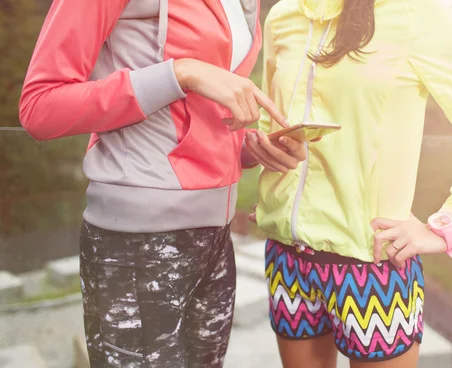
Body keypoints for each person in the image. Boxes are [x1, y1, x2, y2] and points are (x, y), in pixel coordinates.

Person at [18, 0, 306, 367]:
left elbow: (196, 116)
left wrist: (250, 147)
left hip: (215, 241)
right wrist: (180, 73)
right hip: (136, 245)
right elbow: (40, 107)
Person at [253, 0, 452, 367]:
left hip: (372, 264)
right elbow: (273, 125)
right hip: (288, 258)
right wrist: (274, 186)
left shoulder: (416, 13)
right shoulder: (284, 15)